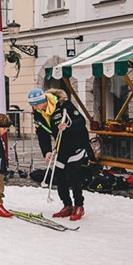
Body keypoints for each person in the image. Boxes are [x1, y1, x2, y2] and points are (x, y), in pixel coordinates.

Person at [28, 87, 95, 221]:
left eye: (36, 104)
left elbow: (80, 122)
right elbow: (43, 135)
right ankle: (67, 205)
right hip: (62, 146)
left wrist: (68, 125)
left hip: (77, 143)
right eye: (32, 105)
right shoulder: (38, 114)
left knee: (72, 174)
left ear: (44, 101)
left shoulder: (64, 105)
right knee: (59, 175)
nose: (34, 108)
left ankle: (79, 206)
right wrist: (46, 151)